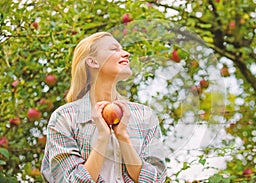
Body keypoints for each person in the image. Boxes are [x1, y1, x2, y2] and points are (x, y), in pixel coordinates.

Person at [41, 32, 166, 182]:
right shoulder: (65, 118)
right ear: (93, 62)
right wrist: (102, 137)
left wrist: (123, 136)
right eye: (114, 49)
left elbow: (156, 179)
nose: (126, 54)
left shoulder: (144, 116)